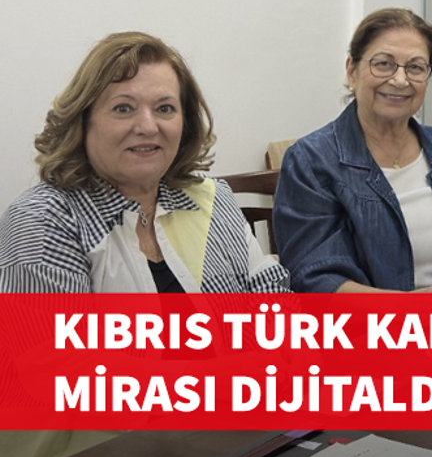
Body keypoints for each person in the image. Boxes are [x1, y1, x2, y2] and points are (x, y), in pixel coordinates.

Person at [0, 31, 289, 294]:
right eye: (123, 108)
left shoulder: (213, 199)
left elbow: (276, 303)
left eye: (165, 108)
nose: (148, 127)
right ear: (83, 120)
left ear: (185, 123)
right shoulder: (42, 221)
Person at [274, 8, 432, 293]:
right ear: (352, 70)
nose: (400, 80)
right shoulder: (311, 160)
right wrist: (408, 308)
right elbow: (316, 279)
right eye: (383, 64)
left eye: (415, 68)